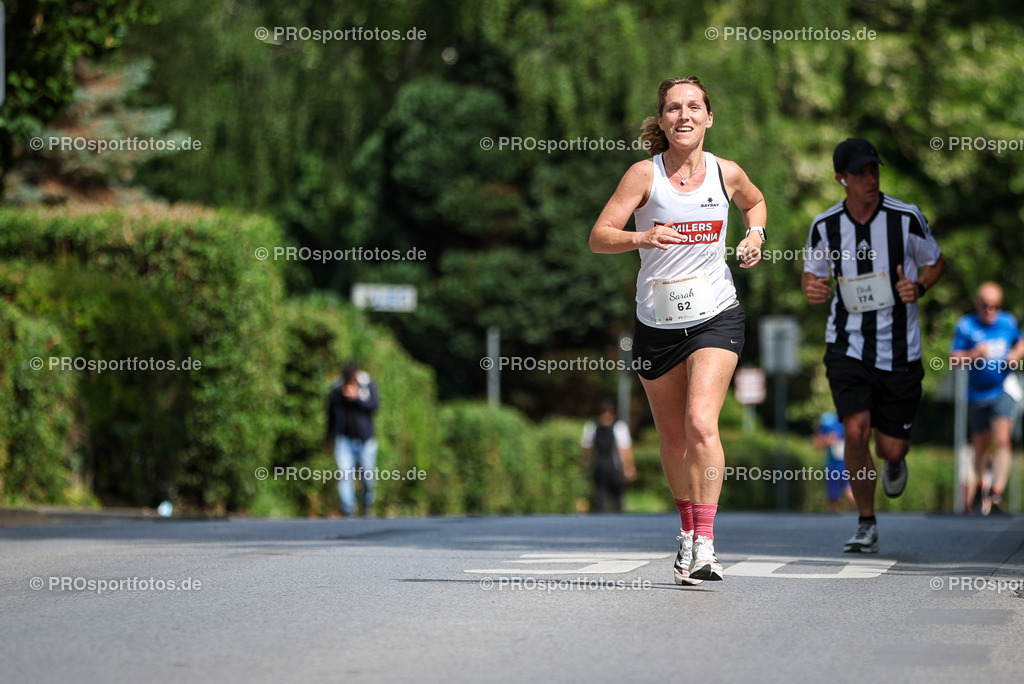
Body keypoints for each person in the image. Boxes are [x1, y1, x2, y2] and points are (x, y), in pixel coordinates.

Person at [589, 76, 766, 583]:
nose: (683, 115)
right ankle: (687, 530)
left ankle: (707, 544)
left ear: (709, 117)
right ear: (662, 120)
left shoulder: (726, 174)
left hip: (716, 315)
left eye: (693, 107)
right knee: (672, 438)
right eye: (672, 108)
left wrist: (755, 234)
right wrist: (643, 236)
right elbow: (599, 238)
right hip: (657, 323)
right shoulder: (644, 176)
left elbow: (755, 202)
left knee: (700, 424)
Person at [802, 137, 947, 553]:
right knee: (854, 430)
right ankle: (866, 521)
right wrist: (812, 288)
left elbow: (937, 262)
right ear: (840, 179)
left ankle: (896, 459)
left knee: (889, 446)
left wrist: (918, 286)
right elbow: (812, 275)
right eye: (861, 172)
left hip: (901, 350)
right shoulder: (825, 225)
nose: (870, 178)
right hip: (846, 344)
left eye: (874, 170)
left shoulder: (906, 218)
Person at [950, 282, 1024, 515]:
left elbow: (1021, 342)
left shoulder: (1007, 322)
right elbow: (953, 358)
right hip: (975, 394)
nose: (990, 310)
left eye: (995, 306)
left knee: (1003, 439)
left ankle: (997, 493)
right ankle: (982, 485)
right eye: (986, 306)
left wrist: (1015, 354)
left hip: (1002, 389)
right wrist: (973, 355)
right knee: (980, 444)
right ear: (977, 303)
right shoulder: (966, 325)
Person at [326, 361, 380, 517]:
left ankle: (366, 504)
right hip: (344, 440)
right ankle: (348, 509)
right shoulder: (337, 389)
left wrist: (357, 398)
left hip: (366, 440)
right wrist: (329, 438)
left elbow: (375, 406)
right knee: (344, 474)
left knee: (368, 478)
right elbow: (330, 415)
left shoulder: (367, 385)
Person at [580, 400, 636, 513]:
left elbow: (624, 450)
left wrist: (628, 467)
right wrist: (584, 464)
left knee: (619, 502)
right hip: (599, 468)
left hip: (616, 470)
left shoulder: (619, 427)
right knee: (601, 502)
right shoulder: (591, 427)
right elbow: (587, 449)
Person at [813, 411, 854, 512]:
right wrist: (826, 440)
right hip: (832, 467)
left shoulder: (852, 421)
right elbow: (816, 442)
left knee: (851, 494)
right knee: (833, 497)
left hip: (848, 466)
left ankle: (850, 517)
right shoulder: (828, 420)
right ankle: (834, 520)